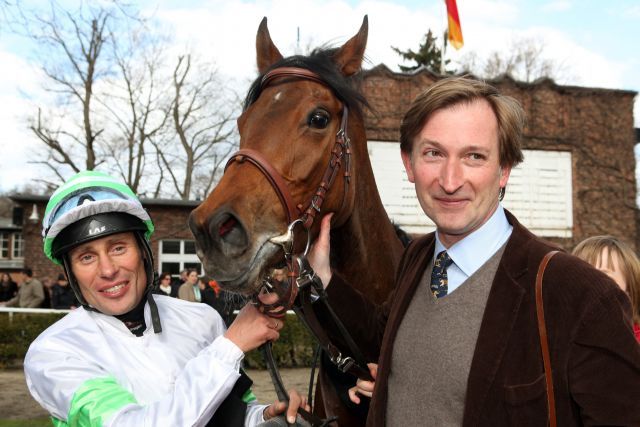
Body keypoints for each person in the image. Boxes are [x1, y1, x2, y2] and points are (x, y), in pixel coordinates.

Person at [308, 76, 640, 425]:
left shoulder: (578, 294)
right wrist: (324, 279)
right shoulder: (420, 257)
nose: (450, 181)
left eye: (474, 156)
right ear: (409, 163)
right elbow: (383, 339)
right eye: (433, 153)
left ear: (504, 170)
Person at [24, 170, 307, 426]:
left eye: (119, 247)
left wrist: (263, 418)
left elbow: (228, 414)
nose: (108, 270)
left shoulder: (203, 319)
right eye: (87, 257)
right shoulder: (53, 353)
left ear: (143, 251)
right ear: (71, 272)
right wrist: (230, 346)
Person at [573, 235, 640, 342]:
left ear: (629, 292)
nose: (591, 286)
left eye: (603, 278)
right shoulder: (559, 341)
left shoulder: (634, 348)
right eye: (583, 275)